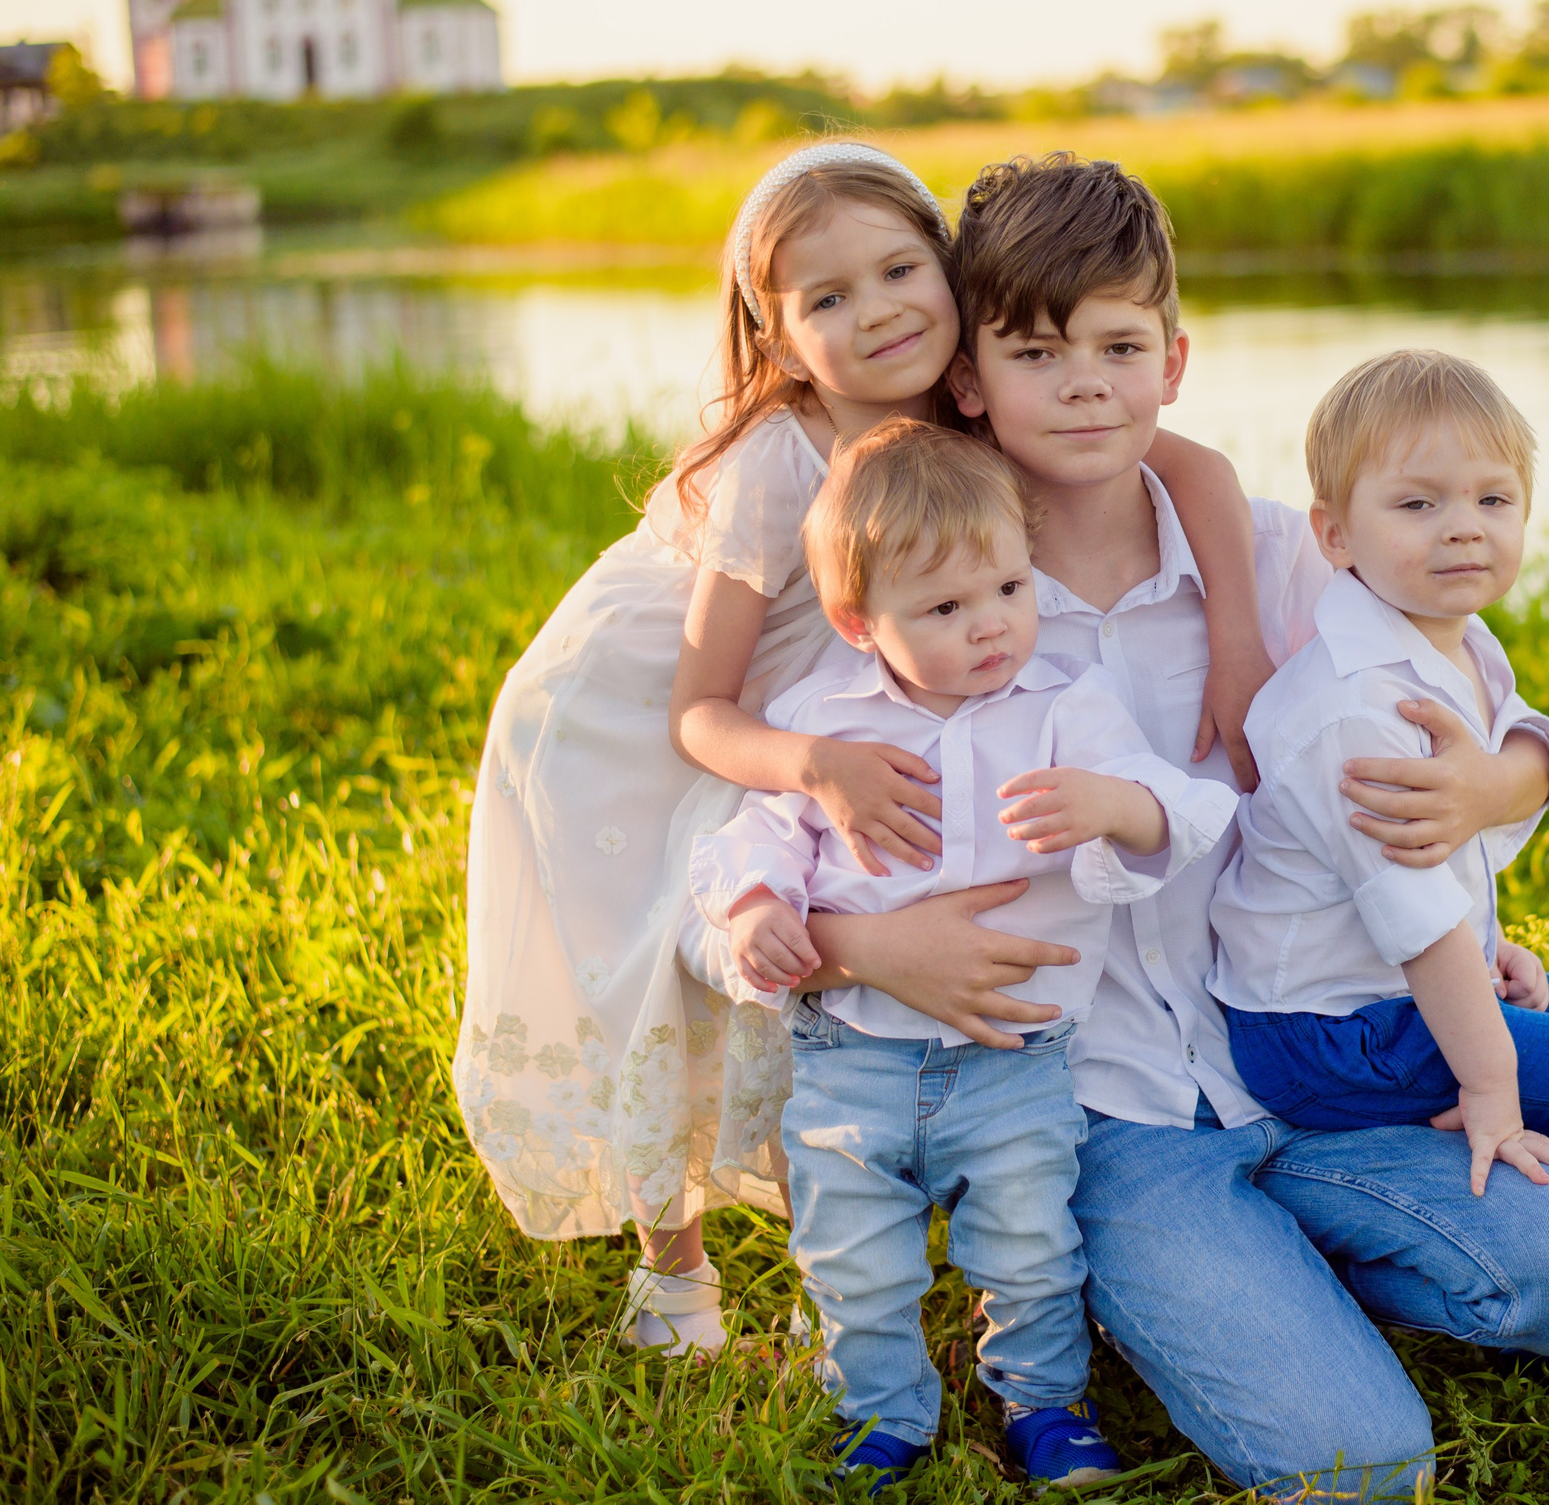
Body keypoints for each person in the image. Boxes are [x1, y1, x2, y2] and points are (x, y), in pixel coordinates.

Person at [791, 153, 1549, 1500]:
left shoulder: (1281, 553)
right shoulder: (925, 605)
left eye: (1121, 347)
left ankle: (1315, 1257)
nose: (1084, 383)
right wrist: (855, 945)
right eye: (1036, 352)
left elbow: (1473, 707)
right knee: (1361, 1468)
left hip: (1310, 1052)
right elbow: (769, 837)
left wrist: (1506, 791)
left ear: (1173, 361)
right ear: (970, 382)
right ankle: (1209, 1282)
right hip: (1109, 1109)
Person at [452, 142, 1270, 1361]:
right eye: (827, 298)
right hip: (636, 721)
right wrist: (816, 767)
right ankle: (671, 1269)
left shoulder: (966, 396)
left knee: (796, 964)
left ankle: (823, 1252)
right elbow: (699, 711)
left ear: (949, 276)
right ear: (777, 339)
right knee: (667, 972)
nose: (879, 309)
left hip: (816, 695)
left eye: (900, 269)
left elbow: (1189, 458)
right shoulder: (774, 464)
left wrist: (1237, 631)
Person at [685, 418, 1237, 1492]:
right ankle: (880, 1412)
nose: (990, 627)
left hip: (1013, 1055)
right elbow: (758, 832)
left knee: (1030, 1243)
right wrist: (755, 906)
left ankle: (1044, 1404)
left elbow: (1187, 807)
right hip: (853, 1052)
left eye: (1009, 589)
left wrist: (1112, 801)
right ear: (858, 620)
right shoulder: (825, 720)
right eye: (943, 608)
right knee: (855, 1253)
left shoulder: (1064, 706)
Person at [1210, 348, 1549, 1423]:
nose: (1464, 527)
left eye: (1493, 499)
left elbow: (1456, 846)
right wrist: (1490, 1087)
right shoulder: (1355, 712)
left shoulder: (1455, 641)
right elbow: (1412, 928)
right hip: (1320, 1027)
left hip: (1384, 986)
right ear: (1335, 534)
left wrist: (1488, 941)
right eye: (1418, 503)